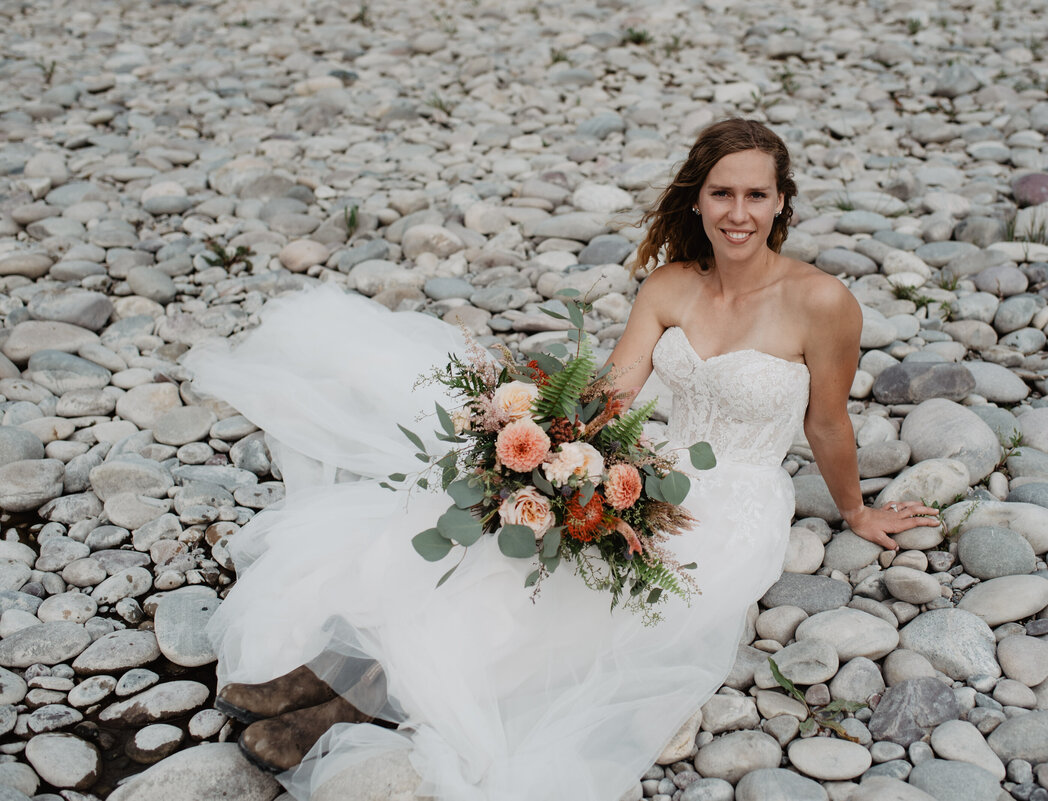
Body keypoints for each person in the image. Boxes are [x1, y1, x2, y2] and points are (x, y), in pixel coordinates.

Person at [183, 117, 938, 800]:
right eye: (721, 194)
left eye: (756, 196)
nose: (738, 213)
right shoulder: (673, 284)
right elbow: (613, 392)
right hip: (651, 467)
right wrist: (556, 452)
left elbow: (828, 422)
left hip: (736, 499)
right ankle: (345, 673)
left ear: (781, 202)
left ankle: (377, 698)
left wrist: (854, 508)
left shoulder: (822, 301)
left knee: (588, 609)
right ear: (699, 198)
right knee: (518, 549)